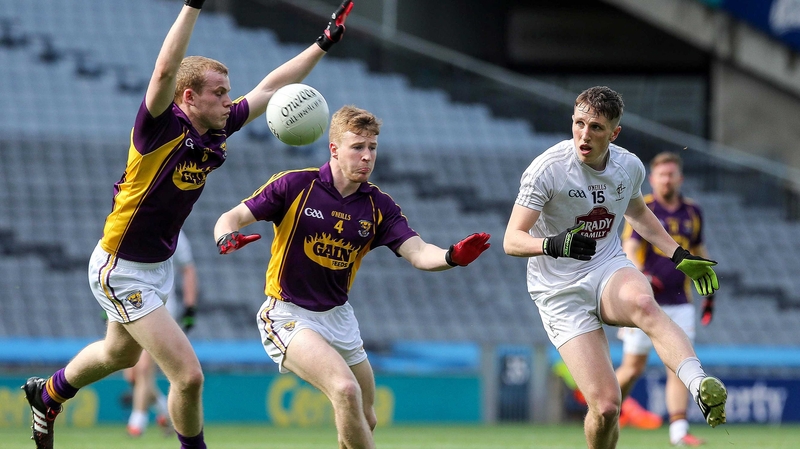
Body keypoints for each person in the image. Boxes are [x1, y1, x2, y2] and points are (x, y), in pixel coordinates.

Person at [21, 1, 355, 448]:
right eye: (218, 92)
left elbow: (273, 86)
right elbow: (163, 72)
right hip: (120, 265)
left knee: (119, 353)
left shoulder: (216, 127)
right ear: (189, 97)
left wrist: (323, 43)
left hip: (156, 266)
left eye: (228, 91)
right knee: (189, 375)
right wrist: (193, 5)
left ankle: (48, 394)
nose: (228, 100)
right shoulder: (157, 127)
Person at [213, 105, 491, 449]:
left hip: (339, 318)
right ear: (334, 149)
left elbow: (419, 253)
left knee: (367, 417)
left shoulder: (378, 206)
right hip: (288, 314)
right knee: (344, 389)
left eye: (372, 147)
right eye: (357, 147)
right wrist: (225, 235)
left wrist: (452, 256)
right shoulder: (295, 185)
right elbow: (233, 216)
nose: (367, 156)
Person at [502, 86, 727, 449]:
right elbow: (511, 239)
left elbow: (639, 213)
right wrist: (553, 243)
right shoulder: (548, 169)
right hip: (559, 291)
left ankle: (699, 383)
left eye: (595, 127)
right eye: (578, 124)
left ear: (614, 132)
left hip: (607, 267)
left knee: (644, 303)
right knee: (606, 407)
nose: (584, 135)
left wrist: (679, 256)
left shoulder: (629, 167)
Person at [615, 151, 716, 446]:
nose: (666, 179)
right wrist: (643, 274)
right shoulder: (642, 206)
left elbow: (699, 249)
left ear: (679, 178)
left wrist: (708, 290)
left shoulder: (693, 212)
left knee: (679, 364)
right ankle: (602, 408)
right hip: (645, 300)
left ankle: (678, 432)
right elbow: (630, 248)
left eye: (671, 174)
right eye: (661, 174)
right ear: (653, 178)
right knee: (633, 367)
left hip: (680, 301)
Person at [125, 229, 198, 437]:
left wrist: (190, 306)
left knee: (144, 367)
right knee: (132, 374)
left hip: (161, 307)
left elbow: (188, 268)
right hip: (130, 303)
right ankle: (165, 411)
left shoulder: (175, 232)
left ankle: (136, 422)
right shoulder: (132, 224)